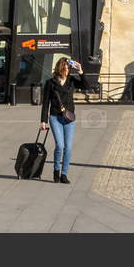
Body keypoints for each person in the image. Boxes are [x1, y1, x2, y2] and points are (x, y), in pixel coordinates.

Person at [38, 57, 78, 185]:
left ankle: (64, 174)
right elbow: (45, 103)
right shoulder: (51, 83)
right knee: (60, 146)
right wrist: (43, 120)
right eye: (65, 67)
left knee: (68, 148)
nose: (67, 70)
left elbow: (88, 85)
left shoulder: (72, 81)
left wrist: (81, 70)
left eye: (69, 67)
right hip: (55, 117)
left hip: (69, 118)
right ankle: (56, 171)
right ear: (60, 68)